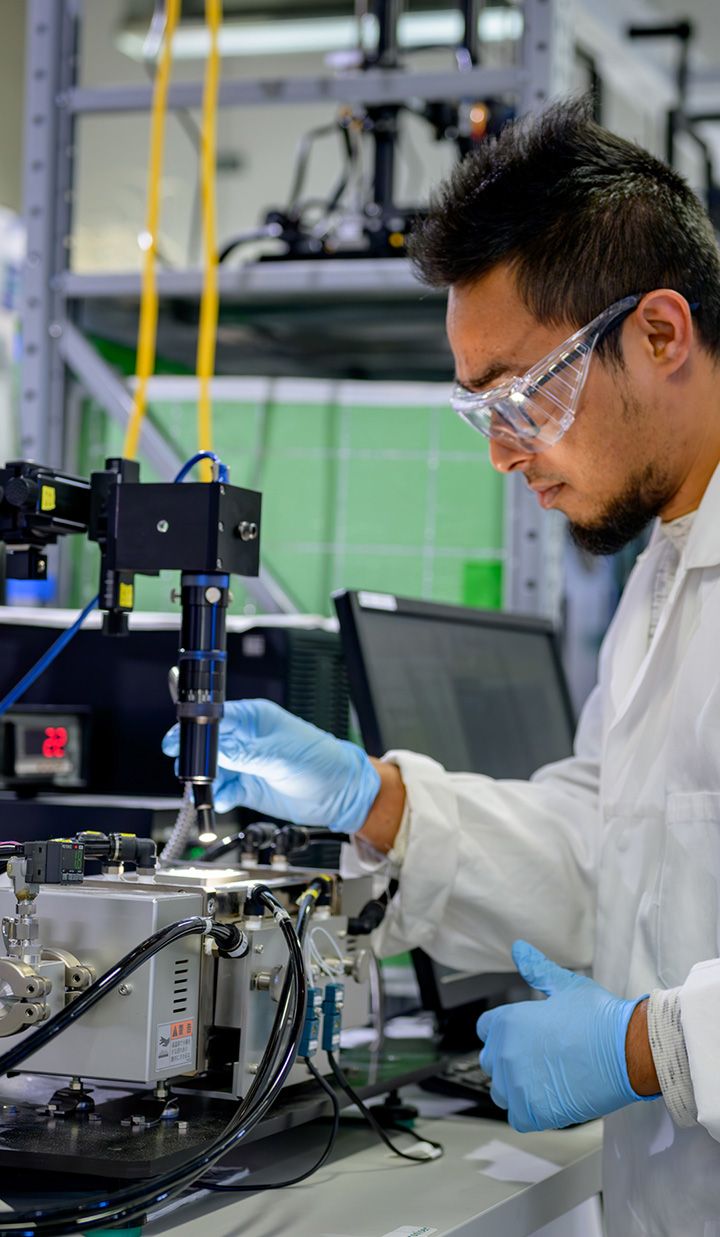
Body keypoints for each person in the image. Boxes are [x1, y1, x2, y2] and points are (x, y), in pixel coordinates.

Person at [164, 98, 720, 1234]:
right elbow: (605, 846)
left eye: (526, 393)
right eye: (482, 413)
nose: (507, 451)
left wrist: (652, 1042)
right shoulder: (667, 568)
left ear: (661, 334)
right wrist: (384, 805)